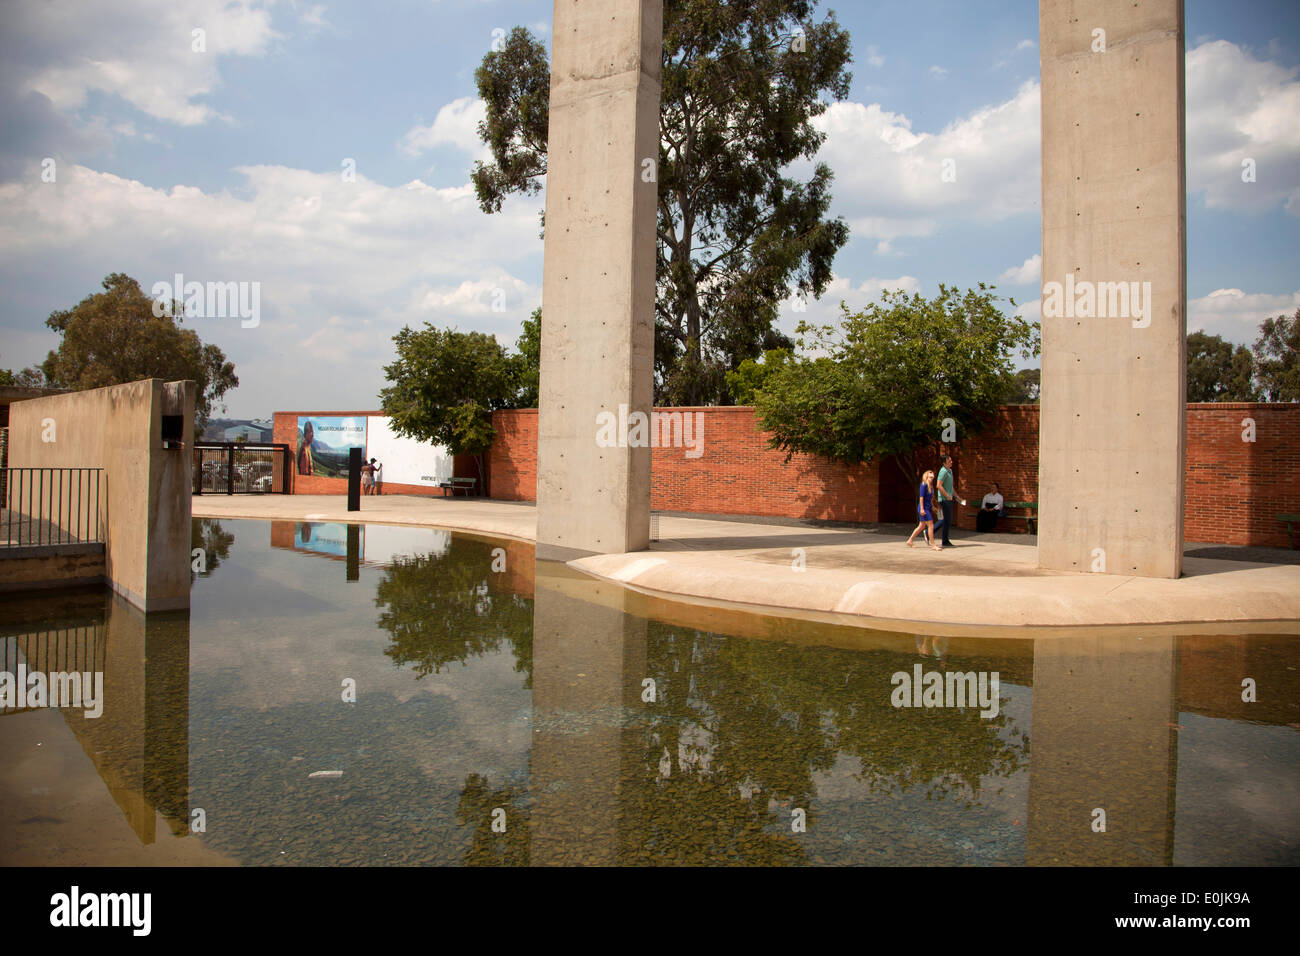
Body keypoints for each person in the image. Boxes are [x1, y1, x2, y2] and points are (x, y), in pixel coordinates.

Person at [906, 470, 942, 551]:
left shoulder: (930, 486)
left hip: (928, 507)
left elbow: (929, 499)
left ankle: (910, 540)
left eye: (932, 477)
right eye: (930, 477)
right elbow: (921, 498)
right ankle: (933, 545)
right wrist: (922, 509)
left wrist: (932, 507)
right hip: (924, 508)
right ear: (926, 476)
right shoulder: (923, 485)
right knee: (931, 526)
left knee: (921, 526)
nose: (931, 478)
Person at [935, 455, 966, 548]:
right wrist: (947, 496)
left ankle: (944, 540)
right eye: (949, 461)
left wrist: (957, 497)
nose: (951, 462)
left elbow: (950, 487)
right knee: (946, 520)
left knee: (947, 520)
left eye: (951, 460)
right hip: (944, 499)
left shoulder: (950, 471)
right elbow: (938, 485)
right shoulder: (943, 471)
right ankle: (931, 533)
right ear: (944, 463)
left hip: (949, 499)